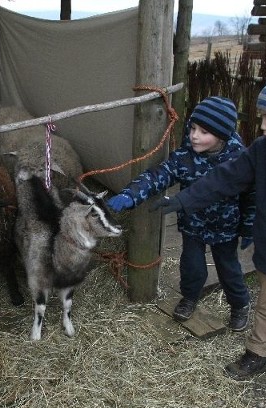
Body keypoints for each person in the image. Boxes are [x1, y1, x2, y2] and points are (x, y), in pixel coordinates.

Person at [153, 70, 266, 408]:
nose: (263, 127)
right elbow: (226, 177)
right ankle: (258, 354)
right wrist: (183, 200)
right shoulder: (264, 149)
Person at [108, 96, 254, 331]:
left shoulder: (240, 161)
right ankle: (189, 298)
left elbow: (251, 197)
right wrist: (131, 194)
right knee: (191, 267)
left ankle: (239, 305)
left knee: (229, 269)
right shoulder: (184, 157)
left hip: (224, 227)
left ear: (222, 135)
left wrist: (249, 226)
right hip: (193, 224)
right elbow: (157, 176)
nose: (194, 135)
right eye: (193, 128)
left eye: (204, 131)